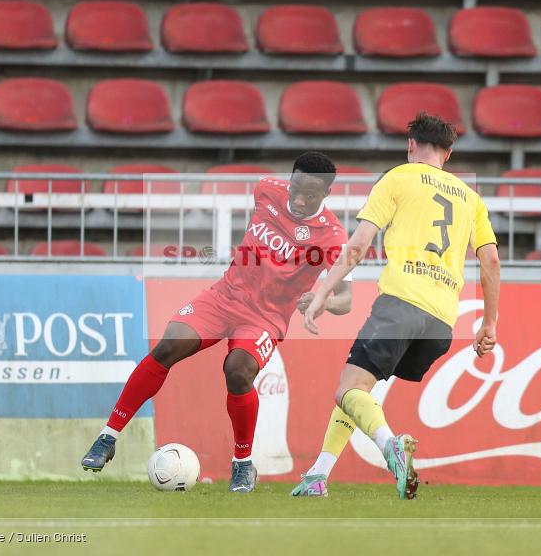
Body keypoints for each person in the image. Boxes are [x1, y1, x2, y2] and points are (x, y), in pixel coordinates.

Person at [82, 152, 353, 493]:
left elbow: (347, 300)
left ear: (326, 194)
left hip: (264, 317)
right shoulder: (267, 189)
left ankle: (242, 464)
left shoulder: (332, 236)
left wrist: (323, 300)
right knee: (168, 345)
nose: (298, 199)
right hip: (224, 296)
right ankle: (108, 438)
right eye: (295, 188)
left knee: (238, 371)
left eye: (310, 195)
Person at [292, 113, 501, 500]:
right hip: (441, 323)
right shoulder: (471, 198)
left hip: (400, 305)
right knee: (360, 390)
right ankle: (318, 475)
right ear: (448, 153)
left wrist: (324, 292)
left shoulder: (397, 178)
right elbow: (490, 261)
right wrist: (489, 324)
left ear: (410, 145)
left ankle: (391, 446)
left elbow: (358, 244)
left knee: (348, 390)